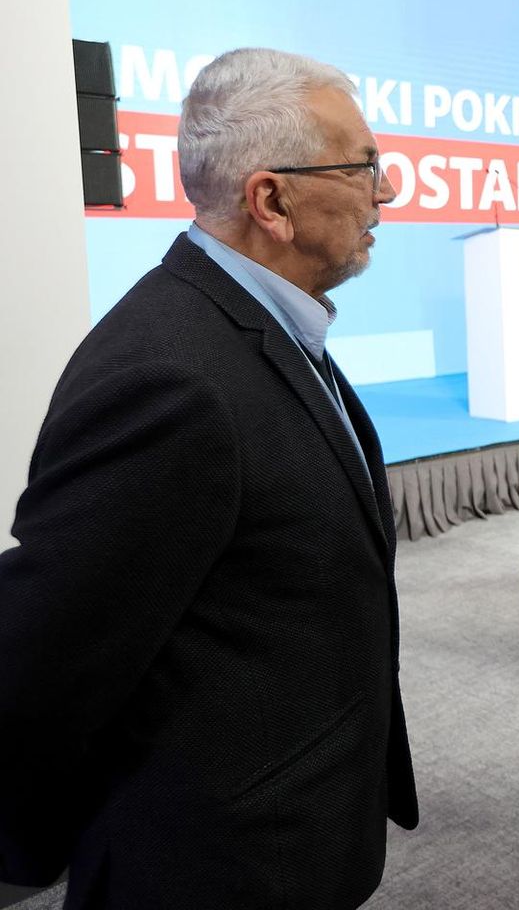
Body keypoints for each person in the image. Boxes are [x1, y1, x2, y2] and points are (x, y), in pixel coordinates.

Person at [0, 48, 417, 908]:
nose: (386, 192)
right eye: (363, 166)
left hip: (290, 833)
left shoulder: (256, 324)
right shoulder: (171, 377)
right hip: (219, 865)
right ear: (272, 201)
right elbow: (46, 656)